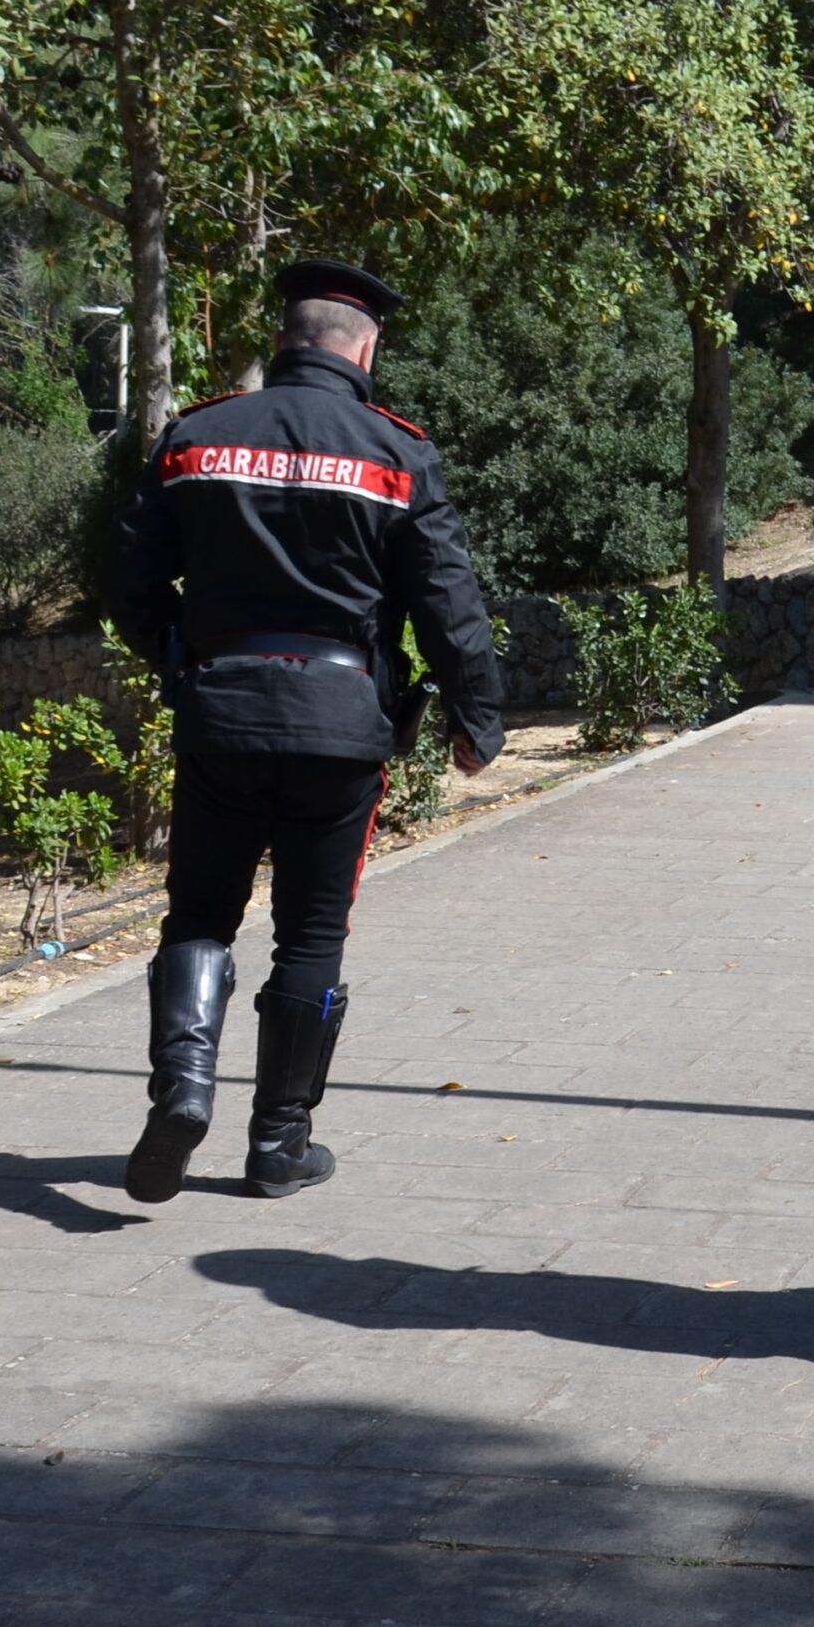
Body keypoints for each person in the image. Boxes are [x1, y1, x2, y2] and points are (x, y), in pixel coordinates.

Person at [108, 258, 505, 1206]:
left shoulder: (196, 437)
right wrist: (477, 716)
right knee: (311, 932)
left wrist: (181, 655)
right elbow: (448, 603)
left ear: (284, 340)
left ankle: (185, 1090)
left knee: (200, 914)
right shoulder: (395, 453)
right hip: (340, 726)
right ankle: (278, 1143)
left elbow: (123, 577)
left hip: (222, 717)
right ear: (364, 349)